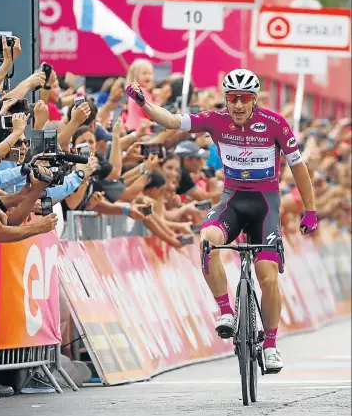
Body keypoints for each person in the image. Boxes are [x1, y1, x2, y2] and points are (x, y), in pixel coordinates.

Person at [126, 68, 318, 373]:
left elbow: (299, 167)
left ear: (254, 100)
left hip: (265, 205)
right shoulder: (215, 120)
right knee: (207, 241)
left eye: (244, 99)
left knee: (267, 276)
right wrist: (145, 105)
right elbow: (173, 121)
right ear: (225, 99)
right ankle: (226, 311)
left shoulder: (275, 124)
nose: (238, 105)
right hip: (232, 201)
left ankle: (270, 345)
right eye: (232, 99)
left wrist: (310, 210)